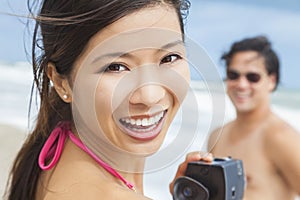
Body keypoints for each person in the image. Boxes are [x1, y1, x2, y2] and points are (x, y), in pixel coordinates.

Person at [2, 0, 215, 199]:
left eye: (169, 58)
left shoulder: (55, 153)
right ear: (60, 82)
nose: (150, 97)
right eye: (116, 67)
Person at [207, 35, 300, 200]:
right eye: (233, 75)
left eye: (253, 77)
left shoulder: (280, 137)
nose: (241, 84)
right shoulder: (217, 135)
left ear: (271, 81)